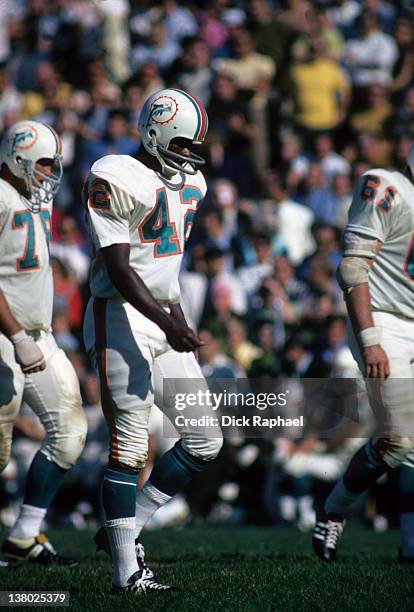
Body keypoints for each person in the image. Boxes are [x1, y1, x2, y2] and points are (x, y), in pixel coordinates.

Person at [83, 88, 223, 593]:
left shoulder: (192, 184)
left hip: (162, 314)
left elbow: (165, 266)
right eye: (183, 143)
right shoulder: (114, 174)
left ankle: (125, 529)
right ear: (156, 130)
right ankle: (126, 574)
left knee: (206, 438)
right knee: (130, 446)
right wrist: (170, 324)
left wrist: (176, 315)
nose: (190, 155)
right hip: (120, 316)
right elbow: (121, 269)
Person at [312, 142, 414, 562]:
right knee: (397, 439)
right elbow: (353, 268)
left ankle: (410, 547)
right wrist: (370, 339)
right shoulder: (387, 188)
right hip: (384, 318)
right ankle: (334, 510)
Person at [0, 120, 87, 565]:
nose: (51, 172)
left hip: (39, 337)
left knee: (70, 433)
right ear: (18, 157)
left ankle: (23, 536)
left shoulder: (33, 198)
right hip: (5, 337)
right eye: (45, 163)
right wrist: (15, 334)